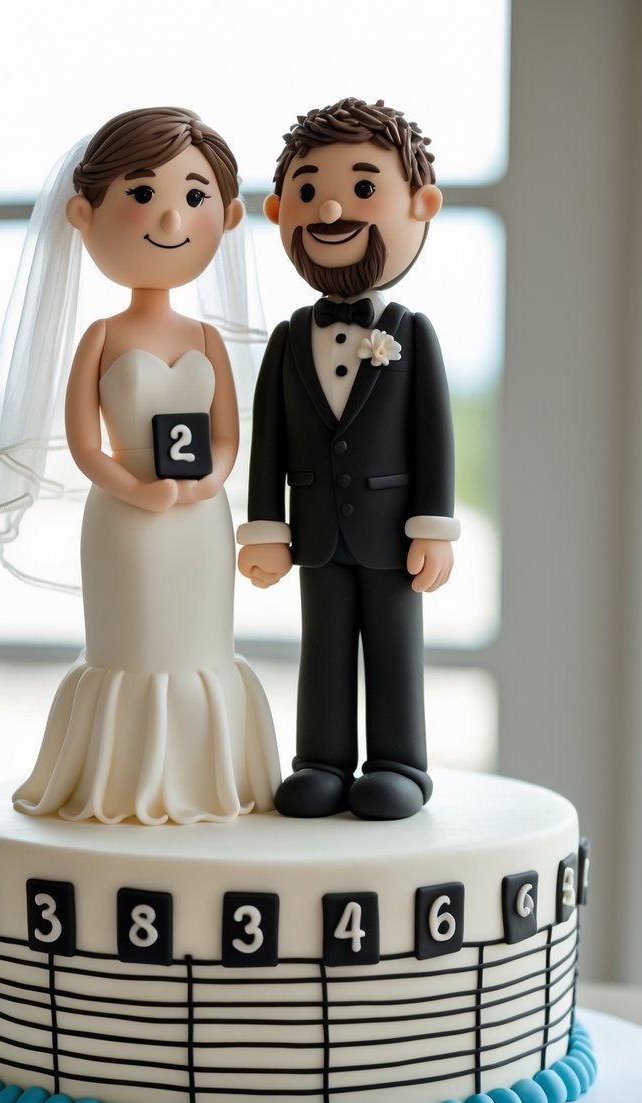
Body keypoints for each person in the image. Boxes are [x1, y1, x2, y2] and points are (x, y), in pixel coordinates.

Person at [0, 107, 280, 824]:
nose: (171, 217)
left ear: (226, 217)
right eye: (142, 195)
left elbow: (231, 433)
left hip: (201, 517)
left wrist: (212, 478)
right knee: (137, 645)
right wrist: (134, 490)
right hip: (127, 516)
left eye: (195, 197)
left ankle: (207, 780)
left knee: (199, 643)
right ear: (84, 214)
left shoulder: (207, 336)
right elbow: (86, 446)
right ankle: (120, 784)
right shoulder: (102, 335)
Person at [237, 98, 459, 822]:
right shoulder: (286, 337)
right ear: (278, 211)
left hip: (393, 534)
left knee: (394, 649)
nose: (330, 205)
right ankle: (322, 761)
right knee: (322, 650)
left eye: (363, 187)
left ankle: (398, 762)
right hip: (316, 532)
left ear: (419, 205)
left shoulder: (410, 332)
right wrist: (264, 528)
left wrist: (432, 525)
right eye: (307, 190)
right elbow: (265, 437)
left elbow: (434, 437)